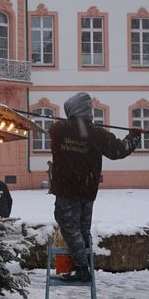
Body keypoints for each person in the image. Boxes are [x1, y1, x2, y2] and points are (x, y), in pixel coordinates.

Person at [49, 92, 138, 282]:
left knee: (70, 228)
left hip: (67, 189)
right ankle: (83, 265)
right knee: (82, 229)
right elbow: (119, 151)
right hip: (87, 190)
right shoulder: (97, 133)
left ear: (71, 111)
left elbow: (53, 130)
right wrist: (134, 136)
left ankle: (81, 268)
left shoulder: (59, 129)